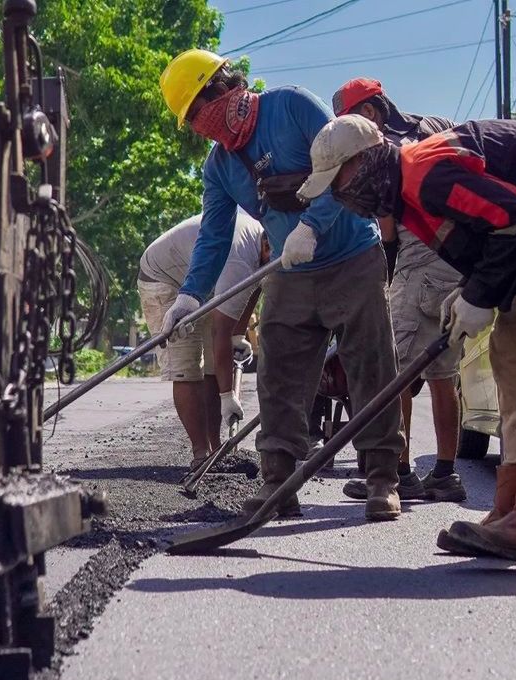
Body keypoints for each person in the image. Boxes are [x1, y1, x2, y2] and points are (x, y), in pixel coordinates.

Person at [298, 114, 516, 571]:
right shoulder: (408, 197)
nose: (340, 194)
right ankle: (511, 507)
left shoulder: (424, 172)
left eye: (340, 180)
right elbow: (490, 234)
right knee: (508, 358)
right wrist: (467, 291)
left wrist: (480, 295)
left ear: (366, 161)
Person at [158, 49, 404, 521]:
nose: (199, 126)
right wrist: (190, 294)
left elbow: (349, 162)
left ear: (222, 88)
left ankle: (381, 479)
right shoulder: (220, 166)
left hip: (353, 256)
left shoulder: (291, 106)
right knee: (278, 377)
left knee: (370, 367)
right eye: (191, 121)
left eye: (197, 112)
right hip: (290, 276)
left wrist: (311, 226)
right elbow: (212, 237)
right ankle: (278, 482)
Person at [332, 78, 467, 503]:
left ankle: (398, 472)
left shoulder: (383, 147)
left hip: (417, 254)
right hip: (458, 257)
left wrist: (387, 264)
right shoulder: (437, 124)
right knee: (443, 373)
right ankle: (446, 474)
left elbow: (388, 224)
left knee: (395, 373)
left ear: (370, 112)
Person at [138, 212, 266, 470]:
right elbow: (221, 333)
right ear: (266, 245)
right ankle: (200, 453)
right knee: (188, 367)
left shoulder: (270, 245)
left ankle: (216, 449)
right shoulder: (240, 256)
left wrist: (238, 336)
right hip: (165, 278)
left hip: (202, 282)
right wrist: (228, 396)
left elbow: (253, 290)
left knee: (212, 368)